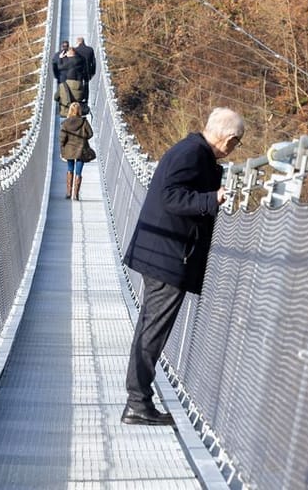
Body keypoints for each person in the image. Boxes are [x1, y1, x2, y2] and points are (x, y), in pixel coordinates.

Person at [119, 107, 244, 426]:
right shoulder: (192, 154)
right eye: (237, 143)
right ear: (228, 138)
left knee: (150, 327)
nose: (235, 150)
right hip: (168, 257)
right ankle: (137, 402)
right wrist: (211, 199)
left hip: (164, 254)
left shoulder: (193, 152)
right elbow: (170, 197)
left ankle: (138, 399)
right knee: (153, 331)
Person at [58, 100, 94, 201]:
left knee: (70, 169)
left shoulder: (65, 123)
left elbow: (62, 138)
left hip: (69, 150)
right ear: (79, 111)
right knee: (79, 171)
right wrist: (83, 137)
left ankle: (69, 192)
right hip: (81, 150)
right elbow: (90, 134)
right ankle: (76, 194)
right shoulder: (84, 122)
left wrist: (62, 149)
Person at [52, 41, 85, 109]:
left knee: (64, 94)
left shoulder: (58, 55)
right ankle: (75, 108)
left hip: (64, 79)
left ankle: (66, 107)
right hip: (75, 80)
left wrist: (61, 58)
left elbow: (57, 67)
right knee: (74, 94)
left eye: (65, 46)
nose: (64, 48)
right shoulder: (76, 56)